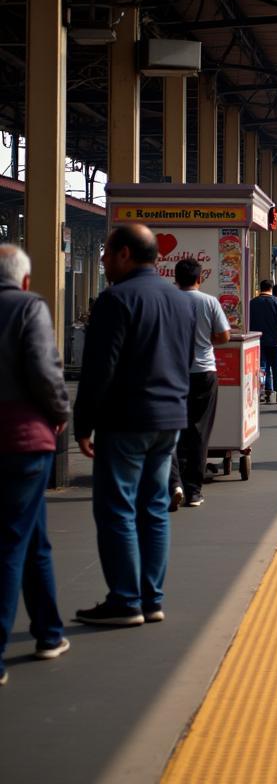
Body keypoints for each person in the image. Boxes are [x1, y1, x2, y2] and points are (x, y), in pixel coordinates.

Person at [73, 223, 195, 627]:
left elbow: (98, 370)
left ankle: (125, 600)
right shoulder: (180, 301)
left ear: (125, 253)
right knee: (155, 508)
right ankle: (151, 599)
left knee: (117, 509)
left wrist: (83, 424)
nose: (103, 260)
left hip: (126, 420)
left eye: (106, 253)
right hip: (169, 420)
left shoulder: (115, 299)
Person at [0, 244, 72, 683]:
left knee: (34, 538)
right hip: (21, 440)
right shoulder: (29, 307)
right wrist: (62, 413)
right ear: (24, 280)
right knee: (12, 542)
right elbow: (45, 371)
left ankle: (49, 632)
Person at [167, 259, 230, 509]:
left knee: (171, 430)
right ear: (199, 278)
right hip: (203, 372)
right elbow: (224, 336)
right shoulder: (209, 301)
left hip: (171, 373)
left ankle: (173, 484)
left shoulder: (167, 301)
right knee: (198, 431)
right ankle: (193, 491)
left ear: (175, 278)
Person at [250, 279, 277, 403]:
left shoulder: (252, 303)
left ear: (260, 287)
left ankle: (264, 392)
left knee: (262, 368)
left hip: (258, 341)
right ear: (271, 288)